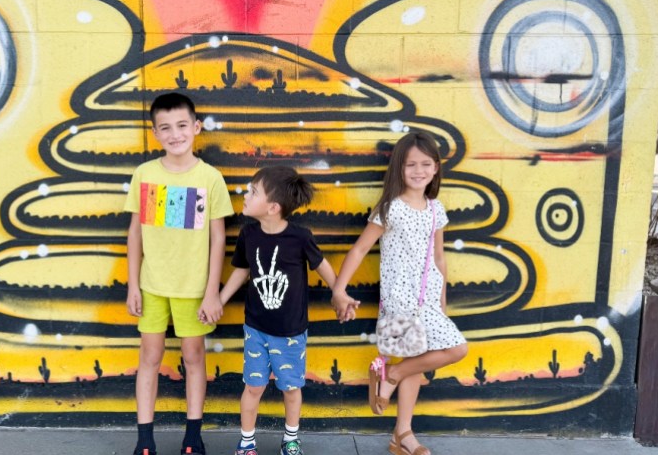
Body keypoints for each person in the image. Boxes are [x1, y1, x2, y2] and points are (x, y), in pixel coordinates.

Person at [332, 131, 468, 455]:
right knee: (430, 356)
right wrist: (339, 289)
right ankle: (404, 430)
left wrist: (442, 303)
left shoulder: (436, 209)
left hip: (428, 301)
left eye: (425, 164)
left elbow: (439, 258)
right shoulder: (390, 208)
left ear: (436, 168)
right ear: (399, 169)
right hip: (399, 299)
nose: (418, 171)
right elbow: (360, 249)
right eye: (410, 165)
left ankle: (395, 396)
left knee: (442, 353)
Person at [217, 166, 358, 455]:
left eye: (253, 191)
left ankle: (290, 439)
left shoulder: (300, 237)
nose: (245, 195)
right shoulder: (248, 234)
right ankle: (246, 442)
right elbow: (242, 270)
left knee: (291, 389)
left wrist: (339, 292)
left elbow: (322, 265)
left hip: (291, 333)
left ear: (272, 207)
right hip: (255, 329)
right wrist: (219, 299)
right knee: (253, 387)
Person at [124, 92, 234, 455]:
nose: (175, 134)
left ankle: (192, 436)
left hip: (194, 288)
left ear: (196, 128)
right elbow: (135, 233)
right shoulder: (145, 174)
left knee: (193, 358)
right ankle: (144, 440)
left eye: (182, 126)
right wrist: (133, 286)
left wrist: (211, 292)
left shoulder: (209, 177)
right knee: (149, 359)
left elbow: (219, 238)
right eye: (166, 128)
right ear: (155, 133)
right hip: (152, 286)